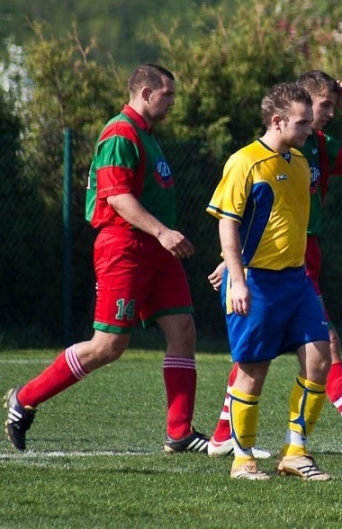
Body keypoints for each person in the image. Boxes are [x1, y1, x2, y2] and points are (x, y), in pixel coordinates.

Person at [4, 63, 208, 454]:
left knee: (183, 330)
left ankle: (179, 433)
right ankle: (24, 398)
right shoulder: (121, 132)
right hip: (125, 247)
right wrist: (163, 231)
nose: (172, 102)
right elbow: (117, 197)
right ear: (145, 93)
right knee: (108, 346)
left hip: (155, 250)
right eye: (167, 95)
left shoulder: (147, 136)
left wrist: (161, 237)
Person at [206, 71, 342, 460]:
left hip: (300, 256)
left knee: (287, 351)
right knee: (291, 350)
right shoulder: (259, 156)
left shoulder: (312, 148)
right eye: (323, 106)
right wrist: (235, 266)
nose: (327, 113)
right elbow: (238, 215)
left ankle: (227, 437)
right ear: (296, 108)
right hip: (270, 264)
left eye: (332, 106)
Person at [207, 82, 332, 481]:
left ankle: (295, 452)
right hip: (257, 284)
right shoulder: (244, 162)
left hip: (296, 281)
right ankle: (242, 460)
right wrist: (237, 278)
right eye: (302, 122)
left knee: (320, 359)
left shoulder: (297, 162)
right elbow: (229, 223)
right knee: (252, 370)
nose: (309, 129)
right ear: (277, 121)